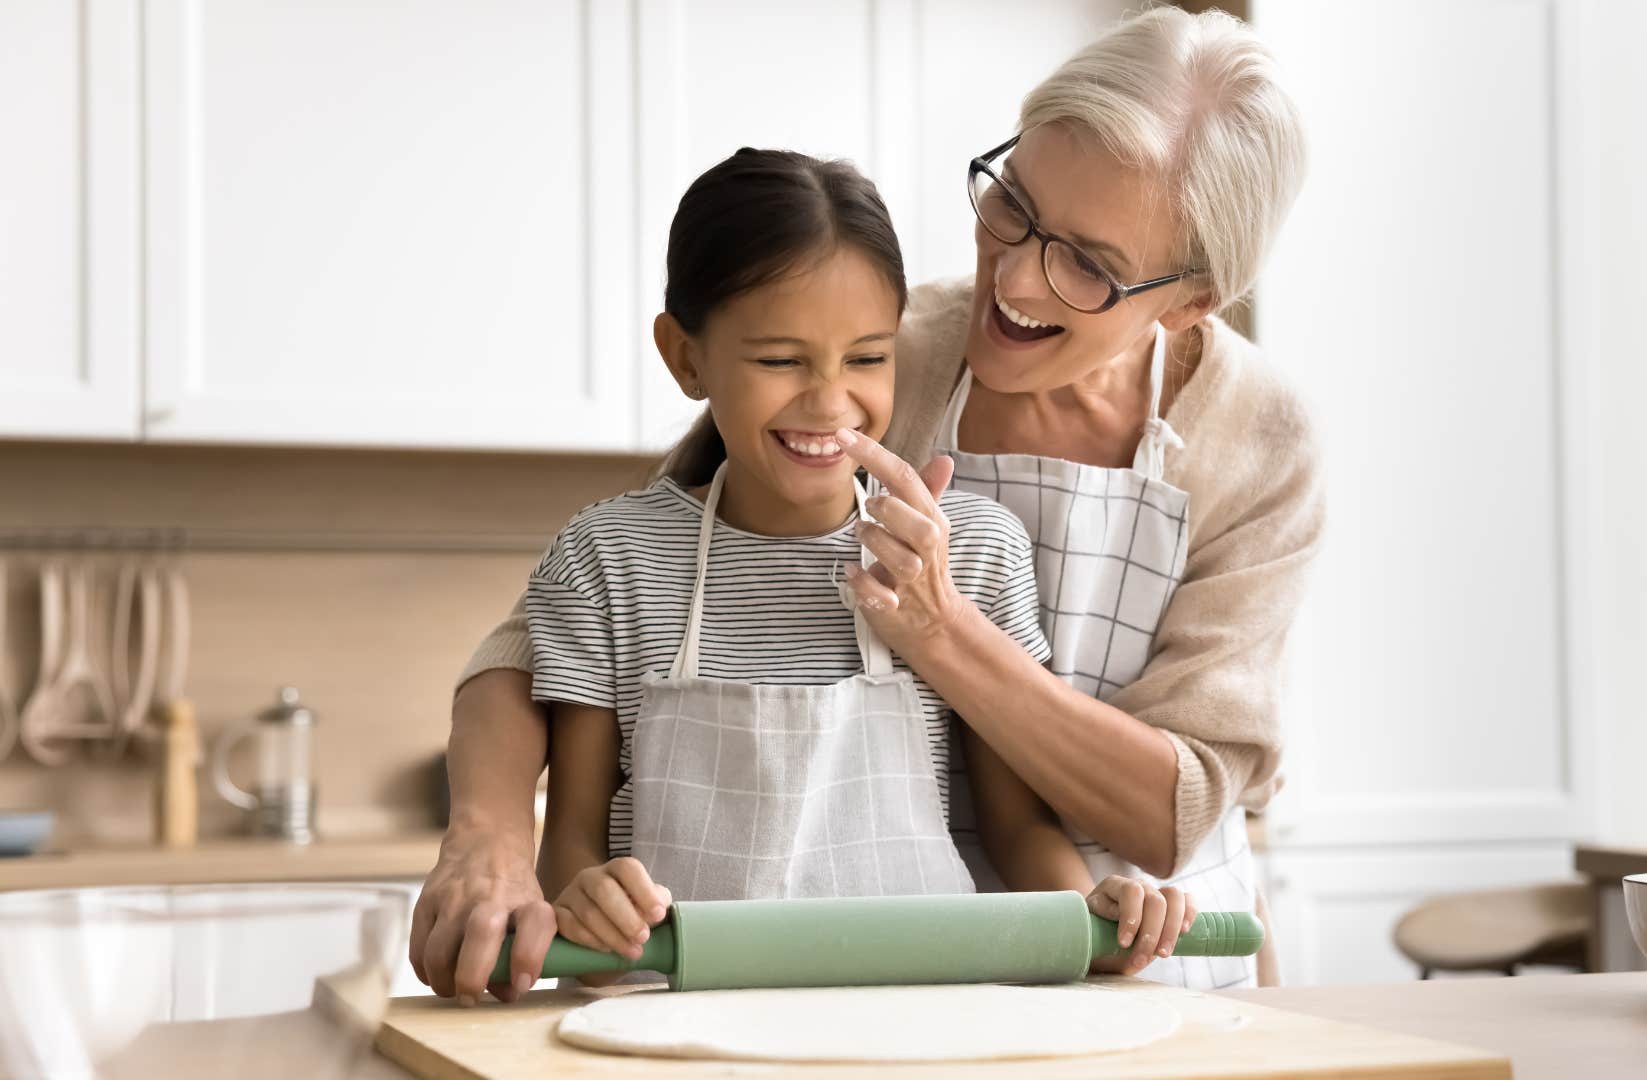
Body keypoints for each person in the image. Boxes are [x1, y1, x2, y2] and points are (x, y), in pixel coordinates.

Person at [412, 7, 1320, 1001]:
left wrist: (942, 634)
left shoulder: (1260, 440)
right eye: (1013, 202)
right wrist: (492, 835)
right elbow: (558, 629)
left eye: (1089, 267)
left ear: (1190, 302)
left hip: (1147, 943)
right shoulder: (888, 344)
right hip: (919, 965)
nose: (1013, 276)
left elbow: (1171, 812)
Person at [518, 147, 1197, 988]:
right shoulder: (610, 560)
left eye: (867, 358)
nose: (830, 401)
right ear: (686, 357)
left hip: (918, 1032)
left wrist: (1094, 925)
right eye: (780, 361)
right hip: (675, 1033)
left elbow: (1018, 833)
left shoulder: (969, 554)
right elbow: (570, 845)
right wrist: (587, 897)